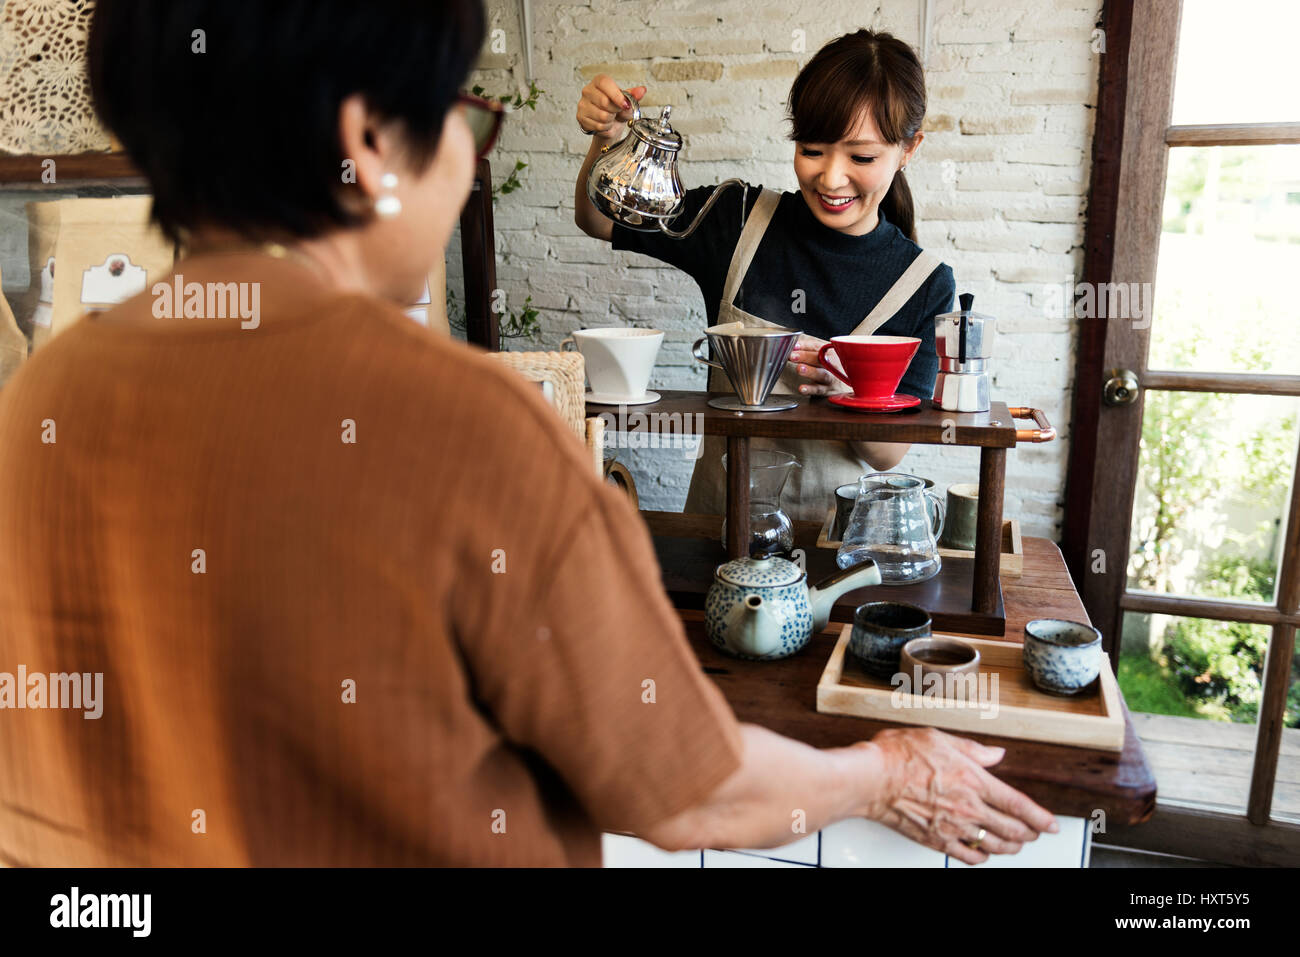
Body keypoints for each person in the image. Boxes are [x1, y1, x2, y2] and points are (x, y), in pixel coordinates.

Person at [0, 1, 1054, 866]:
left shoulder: (47, 399)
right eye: (467, 121)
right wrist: (884, 772)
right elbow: (684, 789)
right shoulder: (466, 426)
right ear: (373, 145)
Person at [575, 30, 957, 522]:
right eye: (812, 149)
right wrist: (607, 141)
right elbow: (599, 220)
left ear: (909, 149)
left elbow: (886, 454)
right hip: (716, 535)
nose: (831, 178)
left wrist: (847, 388)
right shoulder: (737, 217)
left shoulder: (924, 284)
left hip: (836, 556)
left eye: (861, 157)